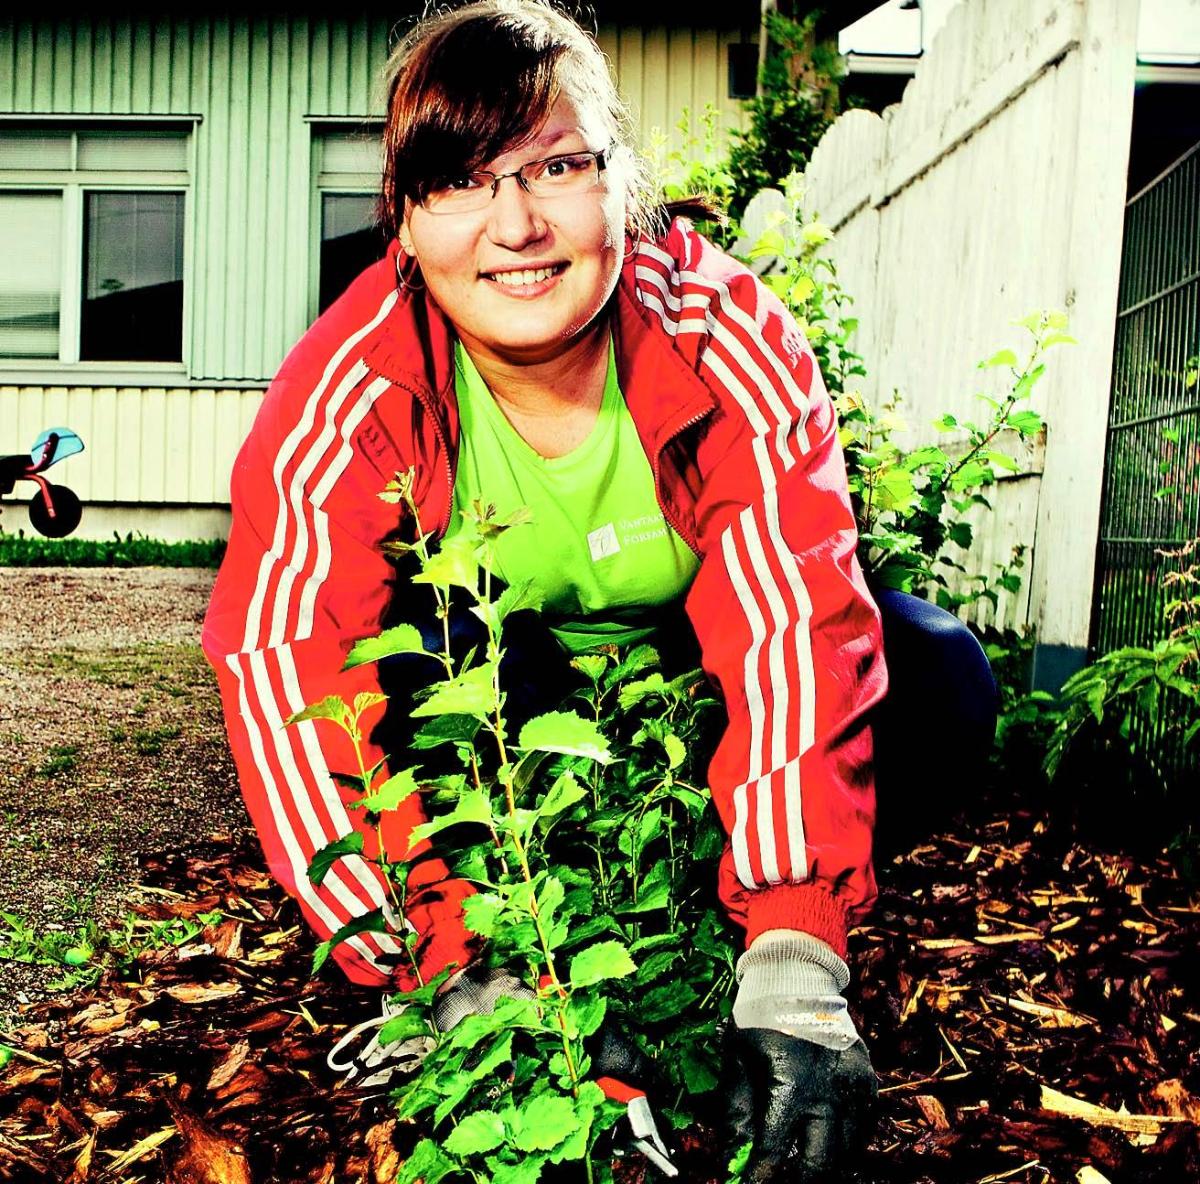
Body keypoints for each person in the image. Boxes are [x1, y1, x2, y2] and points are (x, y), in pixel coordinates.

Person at [202, 1, 935, 1178]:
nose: (517, 226)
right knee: (412, 644)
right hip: (502, 694)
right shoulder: (350, 383)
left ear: (622, 184)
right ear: (400, 220)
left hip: (689, 687)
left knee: (936, 667)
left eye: (557, 165)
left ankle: (742, 897)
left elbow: (794, 614)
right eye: (459, 180)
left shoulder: (719, 330)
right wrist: (434, 955)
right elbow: (285, 660)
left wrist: (797, 953)